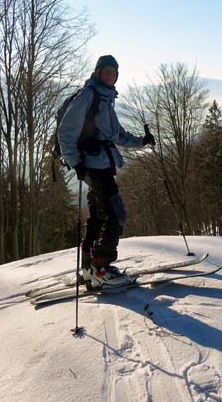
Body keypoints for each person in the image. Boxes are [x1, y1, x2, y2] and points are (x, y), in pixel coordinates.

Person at [58, 55, 155, 288]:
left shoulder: (105, 98)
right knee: (116, 213)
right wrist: (77, 163)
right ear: (98, 72)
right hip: (93, 166)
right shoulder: (89, 95)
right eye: (106, 72)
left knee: (99, 215)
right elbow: (66, 131)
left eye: (114, 73)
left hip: (102, 164)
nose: (110, 76)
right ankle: (101, 268)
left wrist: (142, 141)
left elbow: (117, 135)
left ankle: (88, 268)